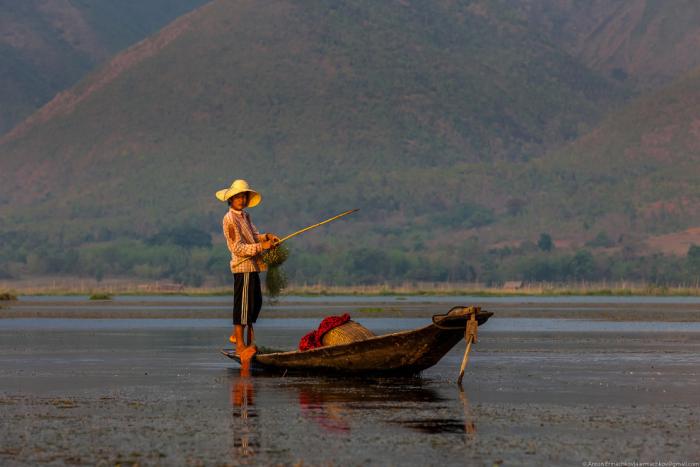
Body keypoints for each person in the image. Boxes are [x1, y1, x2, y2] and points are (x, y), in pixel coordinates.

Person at [216, 179, 279, 358]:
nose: (241, 200)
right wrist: (263, 247)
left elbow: (253, 236)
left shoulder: (245, 216)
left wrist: (267, 237)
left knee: (255, 304)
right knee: (243, 307)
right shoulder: (229, 219)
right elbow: (237, 248)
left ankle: (242, 339)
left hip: (253, 266)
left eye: (243, 196)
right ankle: (241, 346)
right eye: (238, 197)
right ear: (231, 199)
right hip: (242, 267)